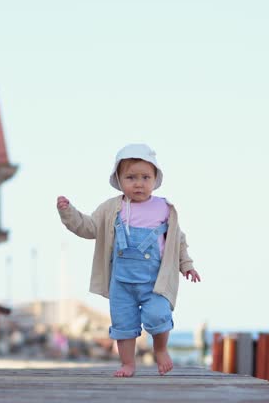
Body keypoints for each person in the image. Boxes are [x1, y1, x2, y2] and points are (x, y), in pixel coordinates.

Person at [56, 144, 201, 377]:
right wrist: (68, 212)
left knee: (158, 315)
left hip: (155, 282)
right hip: (121, 282)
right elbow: (89, 227)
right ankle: (128, 364)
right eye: (131, 177)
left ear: (155, 179)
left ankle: (161, 349)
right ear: (119, 180)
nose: (138, 183)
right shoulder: (112, 208)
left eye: (145, 177)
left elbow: (177, 240)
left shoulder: (164, 208)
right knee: (123, 326)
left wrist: (187, 265)